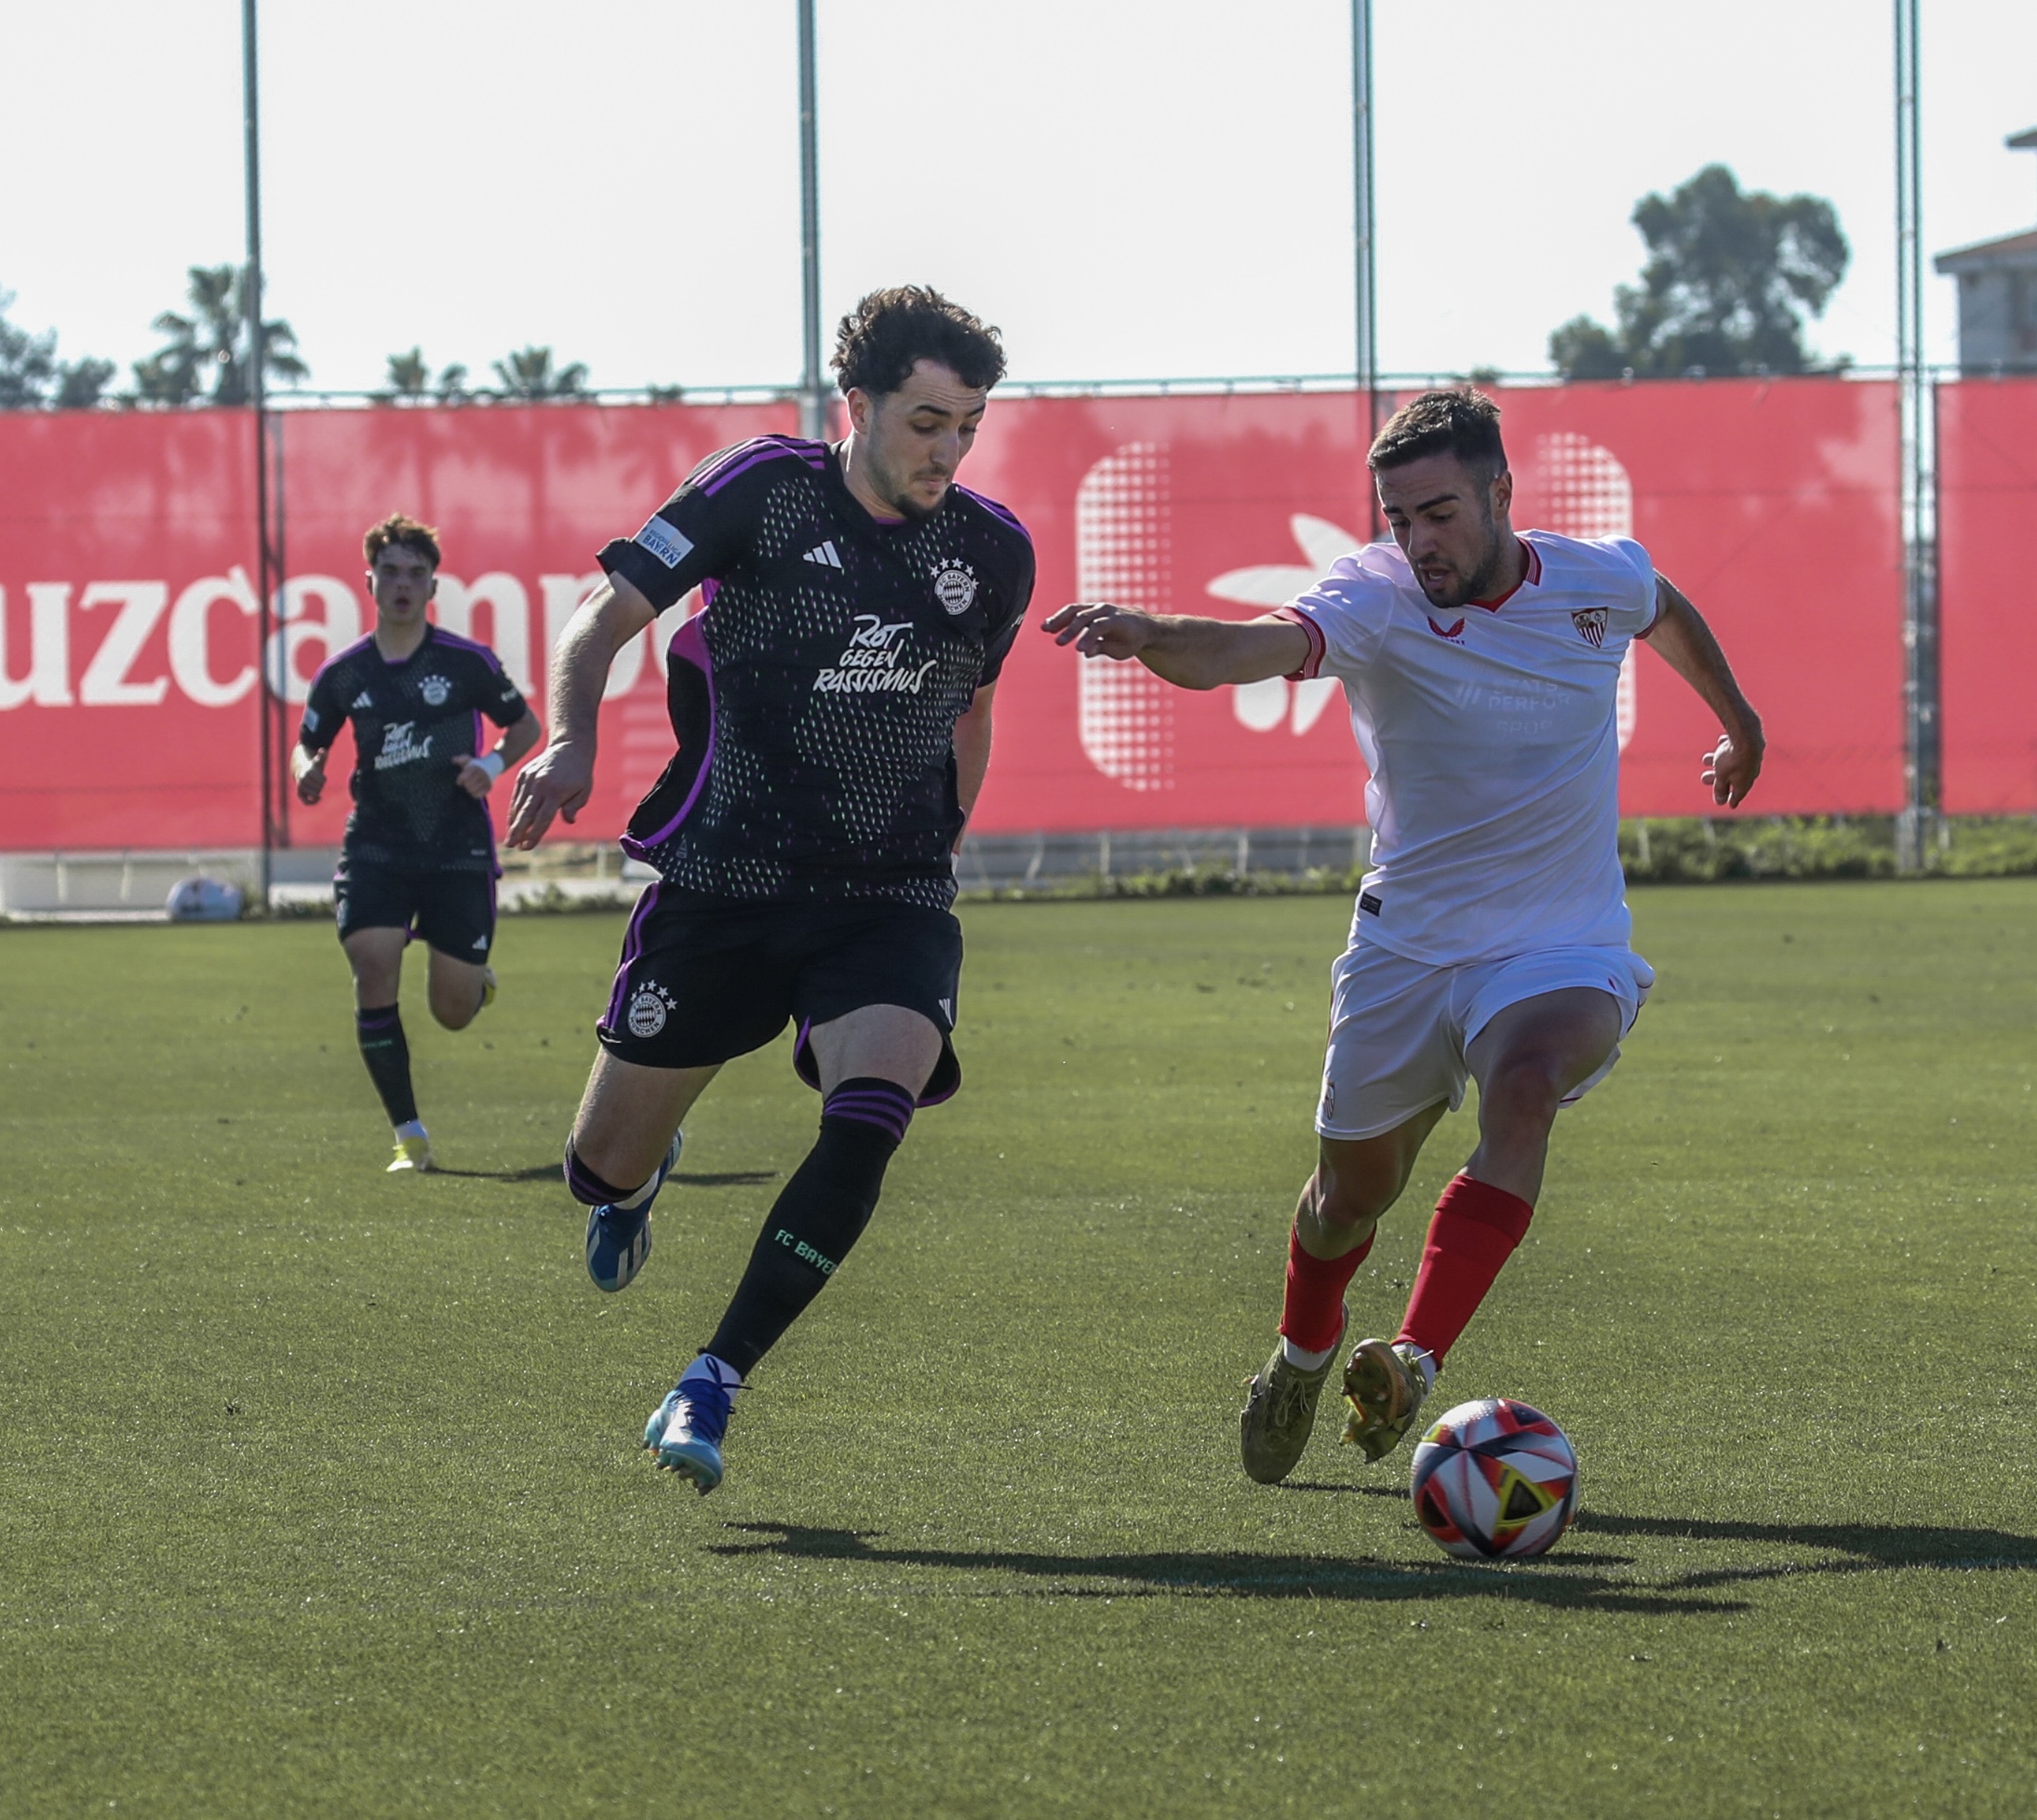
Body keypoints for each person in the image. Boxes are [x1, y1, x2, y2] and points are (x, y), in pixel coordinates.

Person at [1041, 387, 1767, 1484]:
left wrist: (1739, 722)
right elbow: (1248, 647)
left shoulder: (1590, 579)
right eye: (1397, 518)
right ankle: (1301, 1353)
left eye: (1437, 513)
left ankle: (1413, 1362)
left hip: (1560, 941)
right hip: (1408, 947)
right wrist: (1154, 637)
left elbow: (1662, 604)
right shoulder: (1374, 600)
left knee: (1524, 1088)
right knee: (1346, 1203)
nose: (1416, 541)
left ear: (1499, 493)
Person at [503, 287, 1030, 1494]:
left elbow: (975, 703)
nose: (947, 452)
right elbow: (606, 609)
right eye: (924, 421)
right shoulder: (763, 491)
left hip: (885, 892)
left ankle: (715, 1373)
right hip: (725, 881)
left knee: (872, 1107)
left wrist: (939, 845)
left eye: (969, 426)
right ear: (857, 406)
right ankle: (640, 1177)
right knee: (600, 1164)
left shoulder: (991, 551)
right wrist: (571, 738)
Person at [293, 515, 543, 1173]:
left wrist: (489, 767)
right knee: (373, 965)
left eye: (416, 573)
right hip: (376, 845)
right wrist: (307, 770)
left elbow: (526, 727)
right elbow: (307, 743)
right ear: (369, 581)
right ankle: (409, 1135)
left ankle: (473, 981)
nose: (403, 584)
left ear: (432, 585)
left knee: (452, 1011)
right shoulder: (344, 674)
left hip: (456, 846)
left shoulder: (465, 662)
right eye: (392, 572)